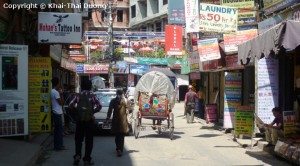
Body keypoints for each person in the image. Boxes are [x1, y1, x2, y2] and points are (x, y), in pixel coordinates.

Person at [69, 80, 102, 166]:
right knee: (89, 141)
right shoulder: (93, 96)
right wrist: (92, 112)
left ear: (82, 86)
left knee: (78, 140)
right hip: (89, 121)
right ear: (90, 87)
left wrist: (77, 112)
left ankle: (77, 156)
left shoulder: (77, 95)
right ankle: (87, 160)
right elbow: (99, 106)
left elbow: (70, 105)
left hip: (80, 121)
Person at [106, 89, 130, 157]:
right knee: (121, 136)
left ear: (116, 93)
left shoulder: (113, 100)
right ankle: (120, 149)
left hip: (115, 120)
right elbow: (130, 110)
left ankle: (118, 148)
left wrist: (107, 118)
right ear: (123, 93)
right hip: (123, 121)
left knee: (117, 136)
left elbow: (110, 110)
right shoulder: (126, 100)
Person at [51, 77, 65, 151]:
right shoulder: (55, 92)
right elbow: (61, 103)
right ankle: (59, 145)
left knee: (57, 130)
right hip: (57, 112)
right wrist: (61, 94)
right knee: (59, 130)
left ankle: (57, 145)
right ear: (58, 83)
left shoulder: (52, 91)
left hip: (55, 111)